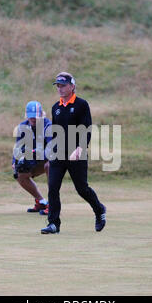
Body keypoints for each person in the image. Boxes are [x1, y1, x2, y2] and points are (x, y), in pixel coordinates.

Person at [41, 72, 106, 234]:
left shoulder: (81, 105)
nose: (60, 88)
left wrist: (80, 148)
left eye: (63, 85)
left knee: (82, 188)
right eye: (58, 85)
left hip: (77, 154)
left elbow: (87, 129)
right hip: (58, 154)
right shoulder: (56, 107)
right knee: (53, 188)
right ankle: (54, 224)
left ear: (72, 86)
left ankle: (99, 210)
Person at [12, 101, 51, 215]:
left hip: (51, 158)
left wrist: (33, 156)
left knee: (49, 165)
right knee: (20, 175)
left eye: (36, 117)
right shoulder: (23, 127)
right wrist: (15, 161)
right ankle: (42, 202)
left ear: (41, 115)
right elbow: (18, 147)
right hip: (35, 159)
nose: (33, 119)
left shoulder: (49, 126)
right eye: (31, 117)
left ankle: (53, 204)